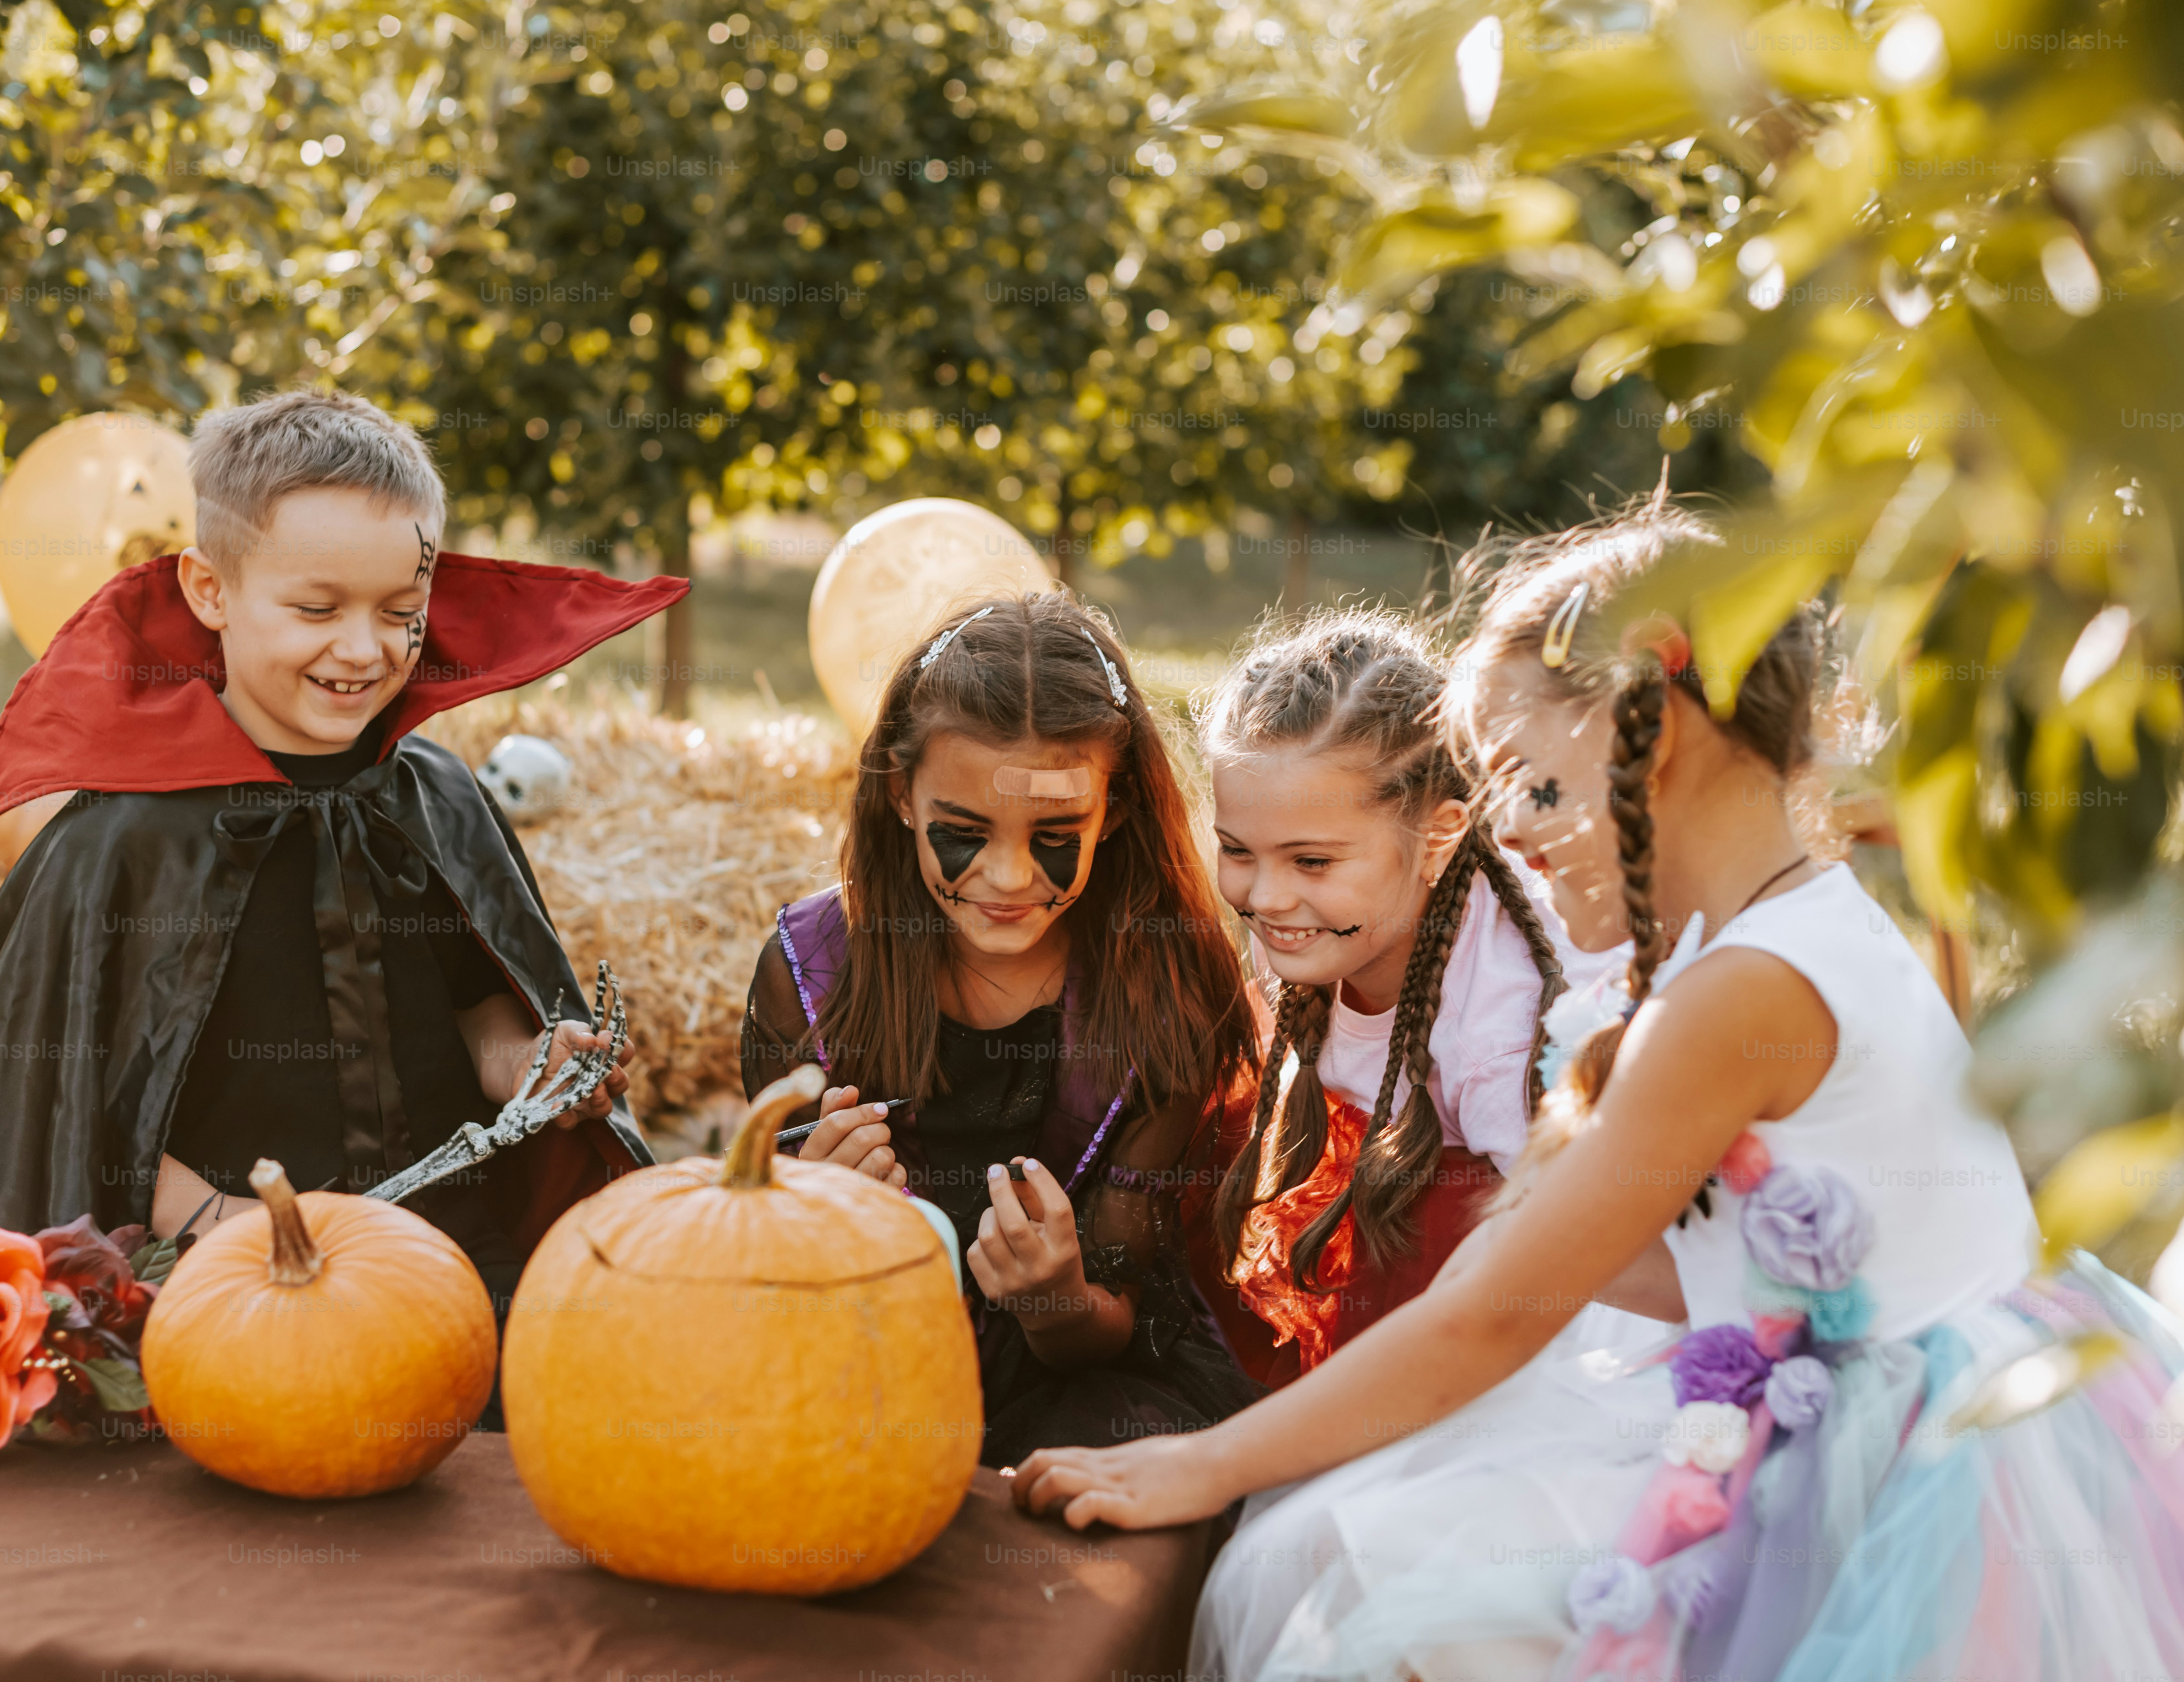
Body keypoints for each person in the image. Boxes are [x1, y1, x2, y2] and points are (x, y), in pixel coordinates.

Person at [1013, 500, 2184, 1682]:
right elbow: (1633, 1258)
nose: (1514, 841)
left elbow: (1496, 1316)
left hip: (1896, 1462)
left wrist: (1204, 1461)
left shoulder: (1740, 990)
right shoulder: (1766, 925)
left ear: (1652, 734)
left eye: (1532, 787)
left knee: (1379, 1591)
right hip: (1826, 1364)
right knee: (1336, 1531)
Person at [0, 389, 686, 1423]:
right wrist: (231, 1223)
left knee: (565, 1422)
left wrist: (538, 1074)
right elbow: (86, 1111)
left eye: (399, 614)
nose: (363, 650)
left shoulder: (435, 799)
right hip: (221, 1268)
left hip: (443, 1251)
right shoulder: (123, 848)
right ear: (211, 589)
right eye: (317, 611)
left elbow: (481, 1013)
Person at [738, 591, 1262, 1466]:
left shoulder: (1165, 995)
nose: (1009, 876)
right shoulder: (809, 974)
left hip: (1075, 1380)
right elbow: (756, 1242)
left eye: (1057, 834)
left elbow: (1111, 1321)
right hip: (853, 1345)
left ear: (1116, 809)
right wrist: (808, 1204)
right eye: (963, 832)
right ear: (902, 795)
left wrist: (1051, 1296)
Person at [1187, 609, 1614, 1391]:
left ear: (1441, 836)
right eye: (1238, 851)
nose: (1268, 895)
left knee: (1439, 1216)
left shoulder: (1504, 1033)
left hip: (1524, 1291)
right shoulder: (1315, 919)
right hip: (1398, 1142)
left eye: (1311, 861)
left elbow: (1569, 1270)